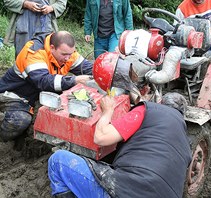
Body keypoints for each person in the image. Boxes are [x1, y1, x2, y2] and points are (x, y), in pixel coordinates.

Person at [48, 92, 192, 198]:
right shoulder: (186, 146)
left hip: (129, 191)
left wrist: (108, 111)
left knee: (57, 160)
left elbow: (101, 137)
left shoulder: (150, 109)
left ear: (159, 102)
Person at [0, 31, 93, 147]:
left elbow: (89, 68)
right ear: (52, 48)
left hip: (37, 96)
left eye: (71, 54)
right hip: (14, 95)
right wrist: (74, 80)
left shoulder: (67, 52)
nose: (68, 58)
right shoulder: (34, 53)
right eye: (64, 54)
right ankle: (4, 143)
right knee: (20, 121)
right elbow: (43, 82)